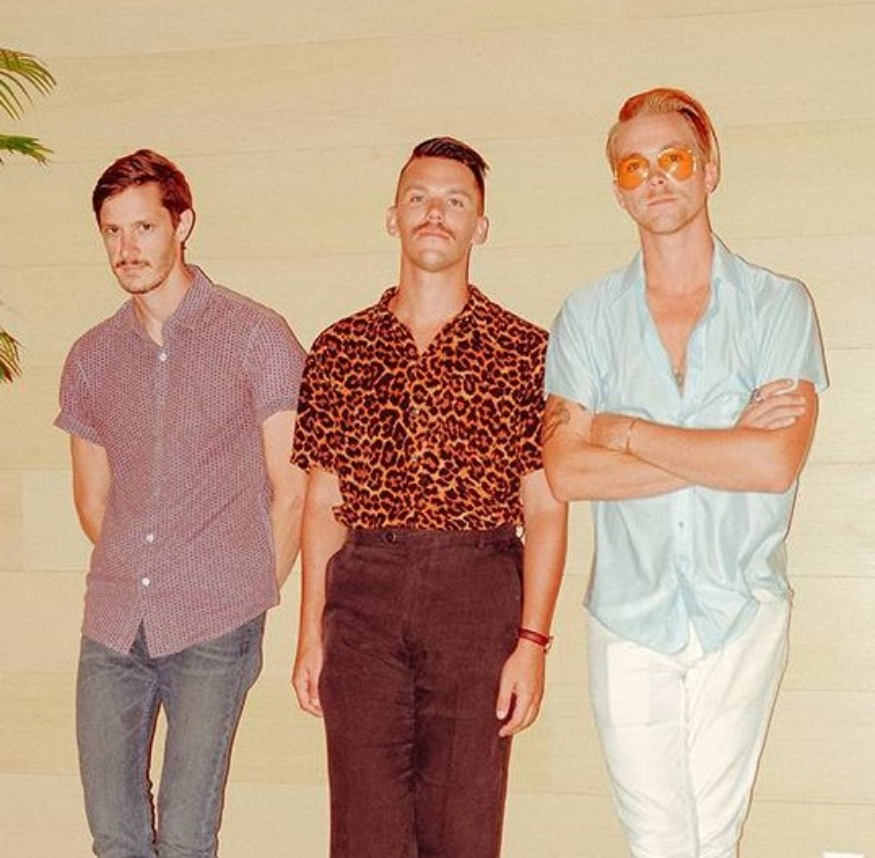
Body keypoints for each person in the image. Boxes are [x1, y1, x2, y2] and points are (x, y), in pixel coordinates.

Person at [543, 88, 828, 858]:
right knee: (658, 840)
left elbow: (771, 464)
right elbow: (566, 471)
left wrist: (623, 432)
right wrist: (721, 446)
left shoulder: (776, 304)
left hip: (740, 606)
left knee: (712, 836)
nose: (655, 178)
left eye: (672, 158)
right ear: (617, 190)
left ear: (708, 168)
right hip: (627, 615)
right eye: (633, 166)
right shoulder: (586, 317)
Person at [291, 136, 567, 858]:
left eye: (454, 201)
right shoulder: (339, 348)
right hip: (363, 595)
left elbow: (545, 509)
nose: (433, 213)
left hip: (476, 591)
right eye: (417, 198)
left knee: (464, 824)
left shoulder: (526, 352)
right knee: (363, 829)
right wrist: (310, 634)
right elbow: (321, 502)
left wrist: (532, 644)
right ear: (393, 217)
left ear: (481, 225)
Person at [55, 149, 307, 858]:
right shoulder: (91, 356)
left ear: (182, 224)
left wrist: (246, 593)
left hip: (215, 625)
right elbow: (92, 500)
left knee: (188, 838)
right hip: (112, 624)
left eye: (143, 227)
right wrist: (140, 571)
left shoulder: (256, 336)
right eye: (112, 231)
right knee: (114, 836)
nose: (127, 248)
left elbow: (293, 487)